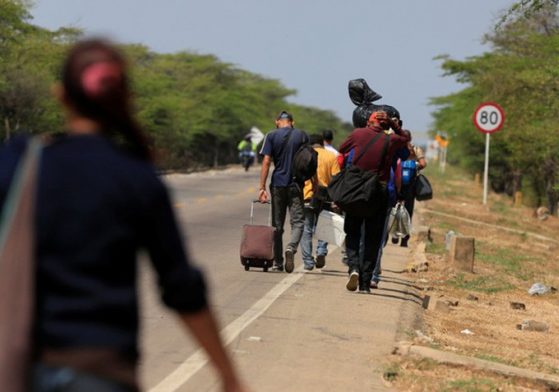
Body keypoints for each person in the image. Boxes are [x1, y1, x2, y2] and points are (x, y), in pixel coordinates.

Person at [0, 39, 244, 392]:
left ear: (61, 95)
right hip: (103, 371)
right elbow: (181, 286)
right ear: (124, 100)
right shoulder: (137, 178)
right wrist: (228, 375)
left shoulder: (19, 163)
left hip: (22, 369)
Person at [338, 111, 410, 293]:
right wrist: (395, 126)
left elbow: (341, 149)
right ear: (385, 124)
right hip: (378, 192)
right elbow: (405, 139)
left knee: (353, 232)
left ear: (369, 122)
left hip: (355, 190)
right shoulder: (391, 140)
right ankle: (365, 284)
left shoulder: (358, 134)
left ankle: (353, 268)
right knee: (372, 239)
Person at [258, 111, 309, 273]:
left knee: (277, 225)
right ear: (292, 122)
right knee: (298, 222)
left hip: (277, 184)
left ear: (277, 122)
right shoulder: (302, 135)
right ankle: (291, 247)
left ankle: (278, 263)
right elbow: (309, 160)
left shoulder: (271, 135)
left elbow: (266, 162)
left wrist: (262, 188)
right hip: (296, 185)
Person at [299, 134, 340, 270]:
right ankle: (321, 251)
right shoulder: (331, 156)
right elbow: (336, 178)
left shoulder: (305, 155)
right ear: (322, 143)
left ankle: (308, 261)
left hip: (307, 195)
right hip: (326, 196)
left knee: (307, 228)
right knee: (324, 225)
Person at [392, 132, 426, 248]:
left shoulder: (396, 148)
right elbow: (423, 164)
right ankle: (405, 239)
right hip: (410, 187)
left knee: (394, 209)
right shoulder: (416, 149)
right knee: (408, 212)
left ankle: (394, 234)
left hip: (397, 185)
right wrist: (415, 166)